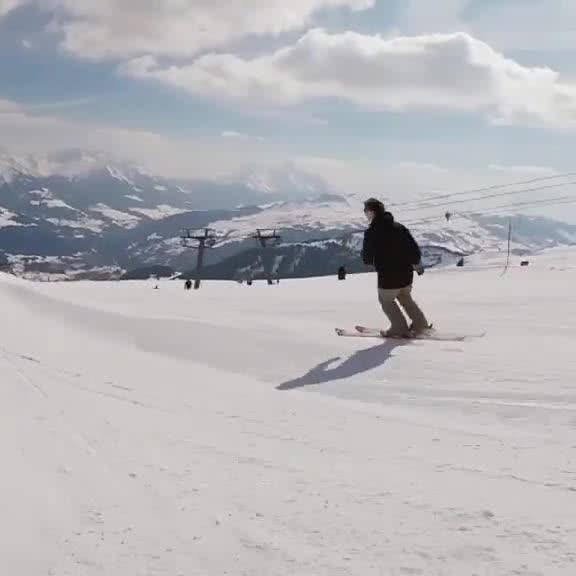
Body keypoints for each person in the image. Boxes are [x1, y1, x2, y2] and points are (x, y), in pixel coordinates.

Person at [361, 198, 430, 337]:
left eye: (366, 212)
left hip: (388, 276)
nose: (365, 215)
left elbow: (367, 258)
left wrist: (368, 258)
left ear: (372, 212)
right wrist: (417, 264)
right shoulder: (399, 227)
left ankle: (399, 327)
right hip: (406, 275)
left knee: (386, 300)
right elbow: (414, 249)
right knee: (405, 298)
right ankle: (421, 324)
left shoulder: (372, 232)